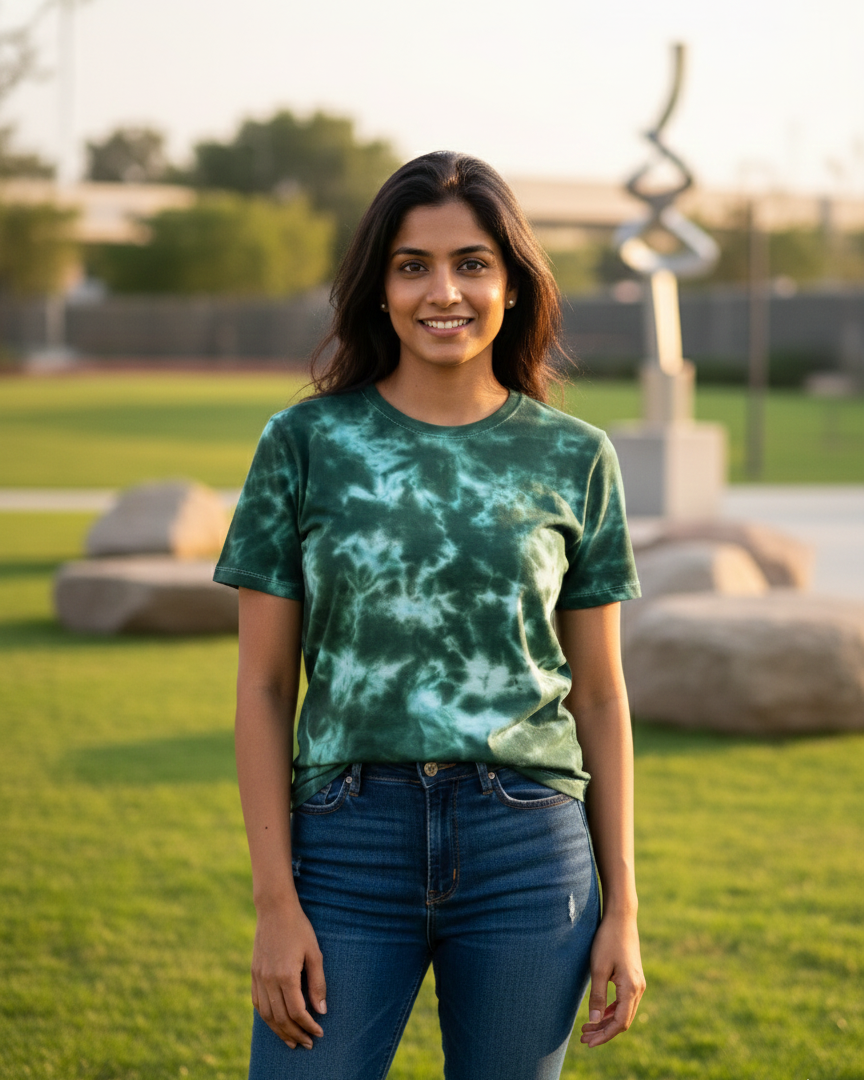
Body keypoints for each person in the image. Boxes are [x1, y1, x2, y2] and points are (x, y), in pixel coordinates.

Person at [214, 150, 646, 1080]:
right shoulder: (304, 444)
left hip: (528, 851)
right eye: (412, 264)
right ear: (378, 287)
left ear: (513, 285)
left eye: (472, 263)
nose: (441, 290)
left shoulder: (575, 457)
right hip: (344, 844)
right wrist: (275, 903)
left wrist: (624, 910)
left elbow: (602, 700)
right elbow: (260, 686)